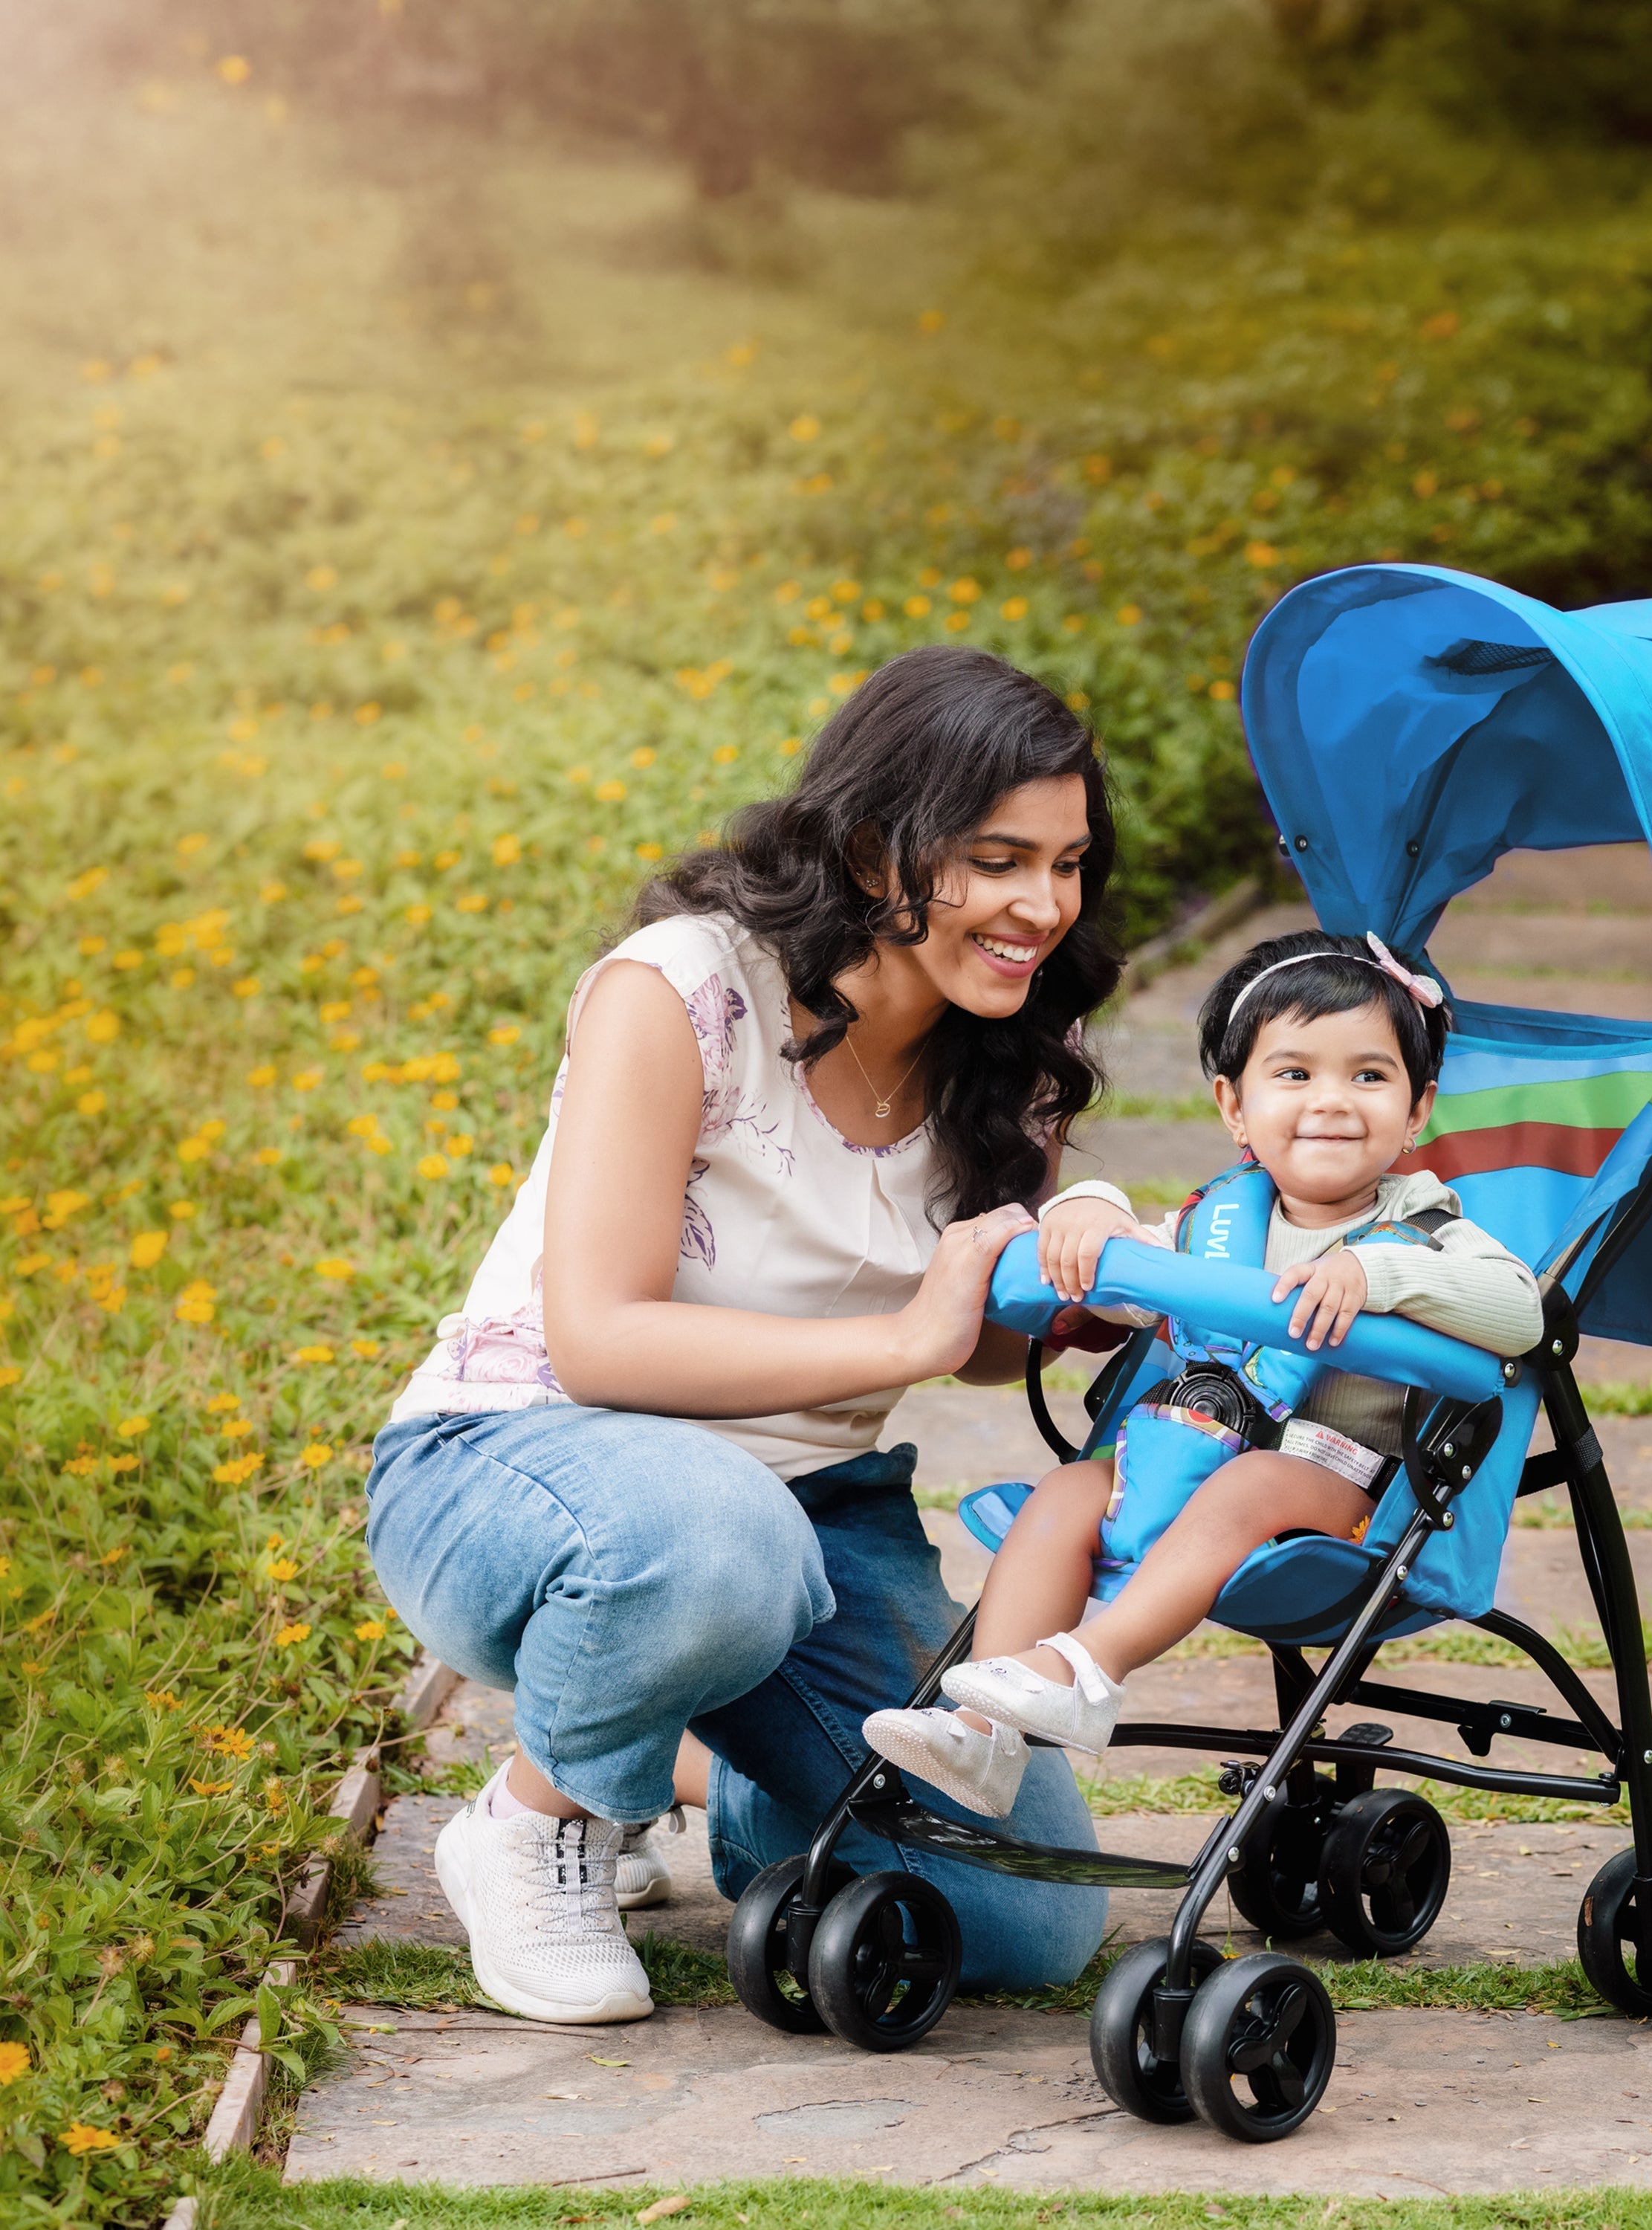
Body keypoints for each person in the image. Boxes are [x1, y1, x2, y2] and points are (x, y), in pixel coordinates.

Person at [363, 646, 1123, 2025]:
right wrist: (908, 1338)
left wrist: (1068, 1304)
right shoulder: (686, 988)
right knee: (723, 1545)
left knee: (1028, 1910)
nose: (1041, 908)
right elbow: (599, 1342)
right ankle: (536, 1820)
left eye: (1066, 865)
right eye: (999, 860)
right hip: (522, 1465)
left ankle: (658, 1771)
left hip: (805, 1520)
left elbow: (986, 1342)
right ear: (870, 843)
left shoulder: (1002, 1045)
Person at [862, 929, 1545, 1816]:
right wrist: (1088, 1210)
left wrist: (1380, 1277)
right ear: (1234, 1105)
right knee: (1069, 1492)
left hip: (1336, 1489)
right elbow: (1121, 1274)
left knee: (1256, 1478)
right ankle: (985, 1731)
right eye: (1294, 1075)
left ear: (1417, 1112)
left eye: (1369, 1076)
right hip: (1189, 1459)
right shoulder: (1215, 1224)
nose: (1332, 1101)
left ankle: (1087, 1668)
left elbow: (1522, 1312)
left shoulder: (1425, 1231)